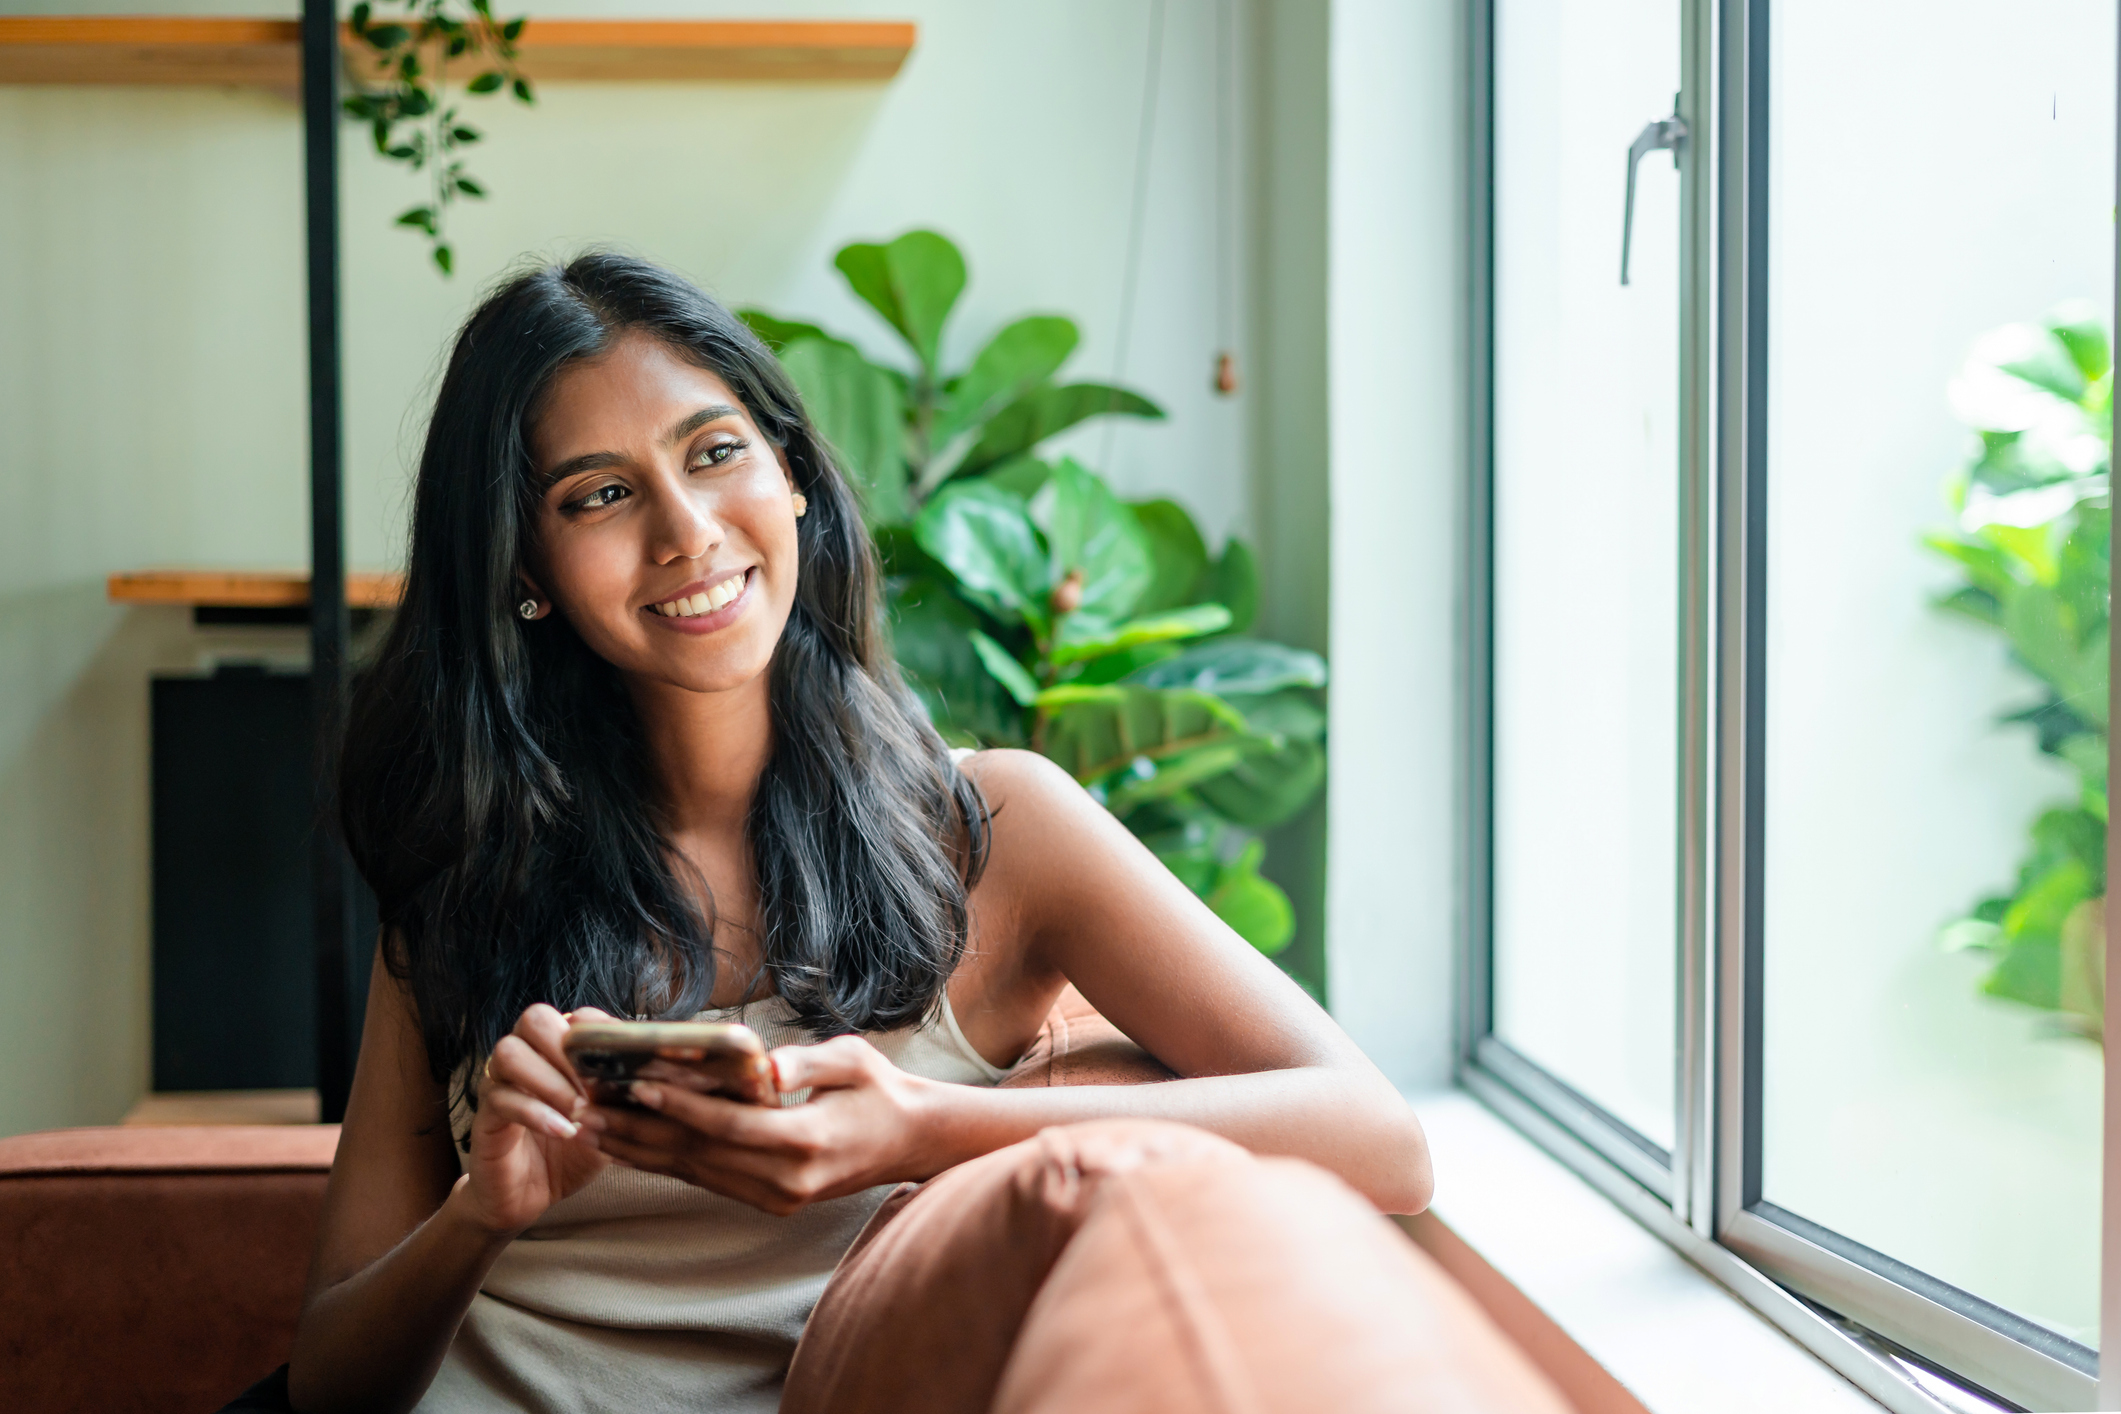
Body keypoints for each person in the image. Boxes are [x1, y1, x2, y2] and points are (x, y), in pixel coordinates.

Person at [276, 253, 1432, 1414]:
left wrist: (919, 1130)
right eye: (600, 493)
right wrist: (486, 1211)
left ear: (792, 474)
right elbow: (328, 1380)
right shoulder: (474, 862)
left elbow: (1379, 1138)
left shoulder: (990, 828)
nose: (685, 531)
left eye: (715, 451)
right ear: (526, 570)